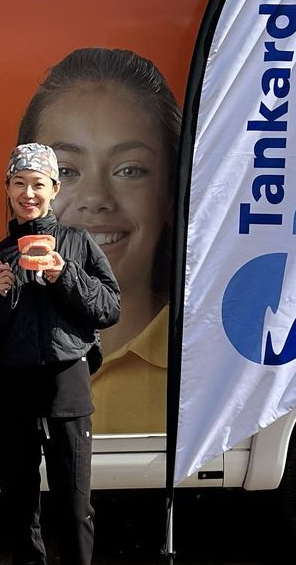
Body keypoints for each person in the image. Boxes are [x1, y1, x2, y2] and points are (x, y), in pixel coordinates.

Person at [0, 143, 121, 565]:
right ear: (8, 190)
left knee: (76, 505)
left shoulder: (79, 243)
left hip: (67, 386)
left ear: (55, 190)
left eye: (39, 183)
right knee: (21, 505)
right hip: (11, 390)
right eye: (20, 183)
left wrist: (67, 276)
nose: (29, 192)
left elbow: (109, 309)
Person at [17, 48, 179, 434]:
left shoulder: (200, 357)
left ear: (170, 192)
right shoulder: (1, 344)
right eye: (67, 170)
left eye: (129, 169)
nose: (96, 198)